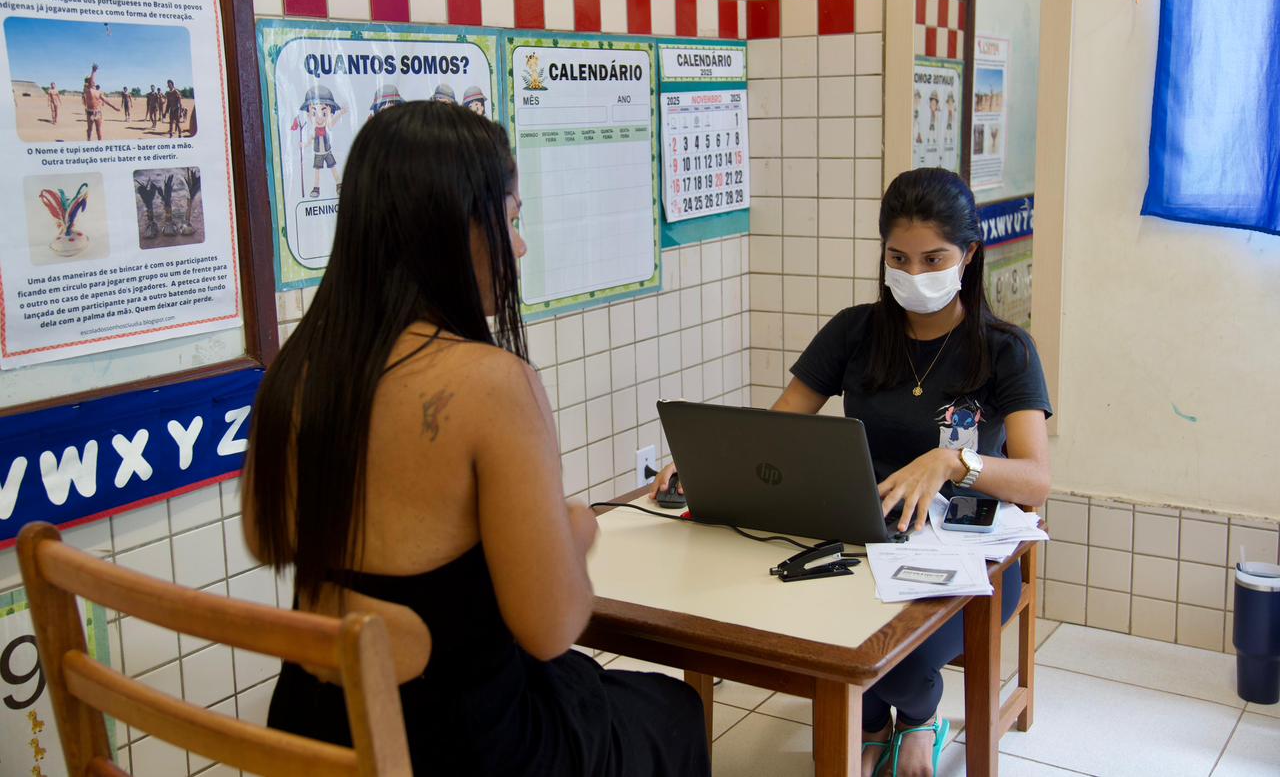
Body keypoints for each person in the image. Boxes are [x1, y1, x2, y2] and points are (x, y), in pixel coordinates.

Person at [242, 101, 710, 777]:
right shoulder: (490, 384)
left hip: (315, 730)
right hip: (457, 750)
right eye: (512, 220)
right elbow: (550, 630)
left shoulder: (299, 366)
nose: (519, 247)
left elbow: (268, 538)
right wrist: (576, 531)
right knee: (671, 711)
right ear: (457, 226)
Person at [652, 168, 1051, 777]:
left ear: (969, 255)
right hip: (859, 539)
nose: (914, 275)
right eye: (899, 257)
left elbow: (1035, 480)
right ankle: (866, 722)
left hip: (967, 559)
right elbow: (779, 427)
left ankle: (917, 716)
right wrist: (708, 458)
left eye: (933, 258)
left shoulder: (1006, 349)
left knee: (903, 660)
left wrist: (952, 461)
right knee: (826, 638)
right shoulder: (855, 330)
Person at [82, 65, 118, 141]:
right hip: (90, 112)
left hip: (98, 113)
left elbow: (106, 101)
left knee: (98, 129)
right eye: (91, 81)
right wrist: (93, 71)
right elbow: (91, 80)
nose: (93, 82)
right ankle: (88, 142)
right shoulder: (88, 91)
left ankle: (100, 144)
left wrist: (114, 107)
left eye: (93, 82)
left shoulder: (98, 92)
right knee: (89, 129)